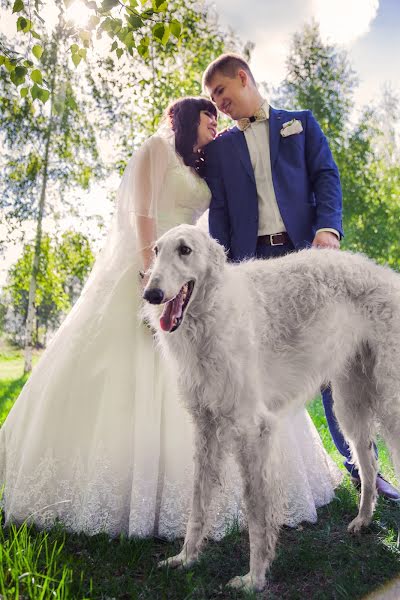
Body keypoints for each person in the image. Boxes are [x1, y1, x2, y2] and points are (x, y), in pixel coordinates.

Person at [0, 96, 341, 542]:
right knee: (129, 372)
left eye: (218, 117)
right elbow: (141, 215)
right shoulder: (154, 149)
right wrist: (153, 280)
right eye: (208, 116)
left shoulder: (198, 163)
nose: (215, 123)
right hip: (148, 266)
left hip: (184, 272)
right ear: (186, 118)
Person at [202, 53, 400, 500]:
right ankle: (269, 483)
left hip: (311, 259)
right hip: (254, 274)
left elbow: (326, 177)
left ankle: (363, 473)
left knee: (337, 361)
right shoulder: (219, 151)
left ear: (243, 77)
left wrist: (328, 230)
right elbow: (221, 216)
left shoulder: (301, 123)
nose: (219, 104)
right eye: (212, 98)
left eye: (221, 92)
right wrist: (225, 278)